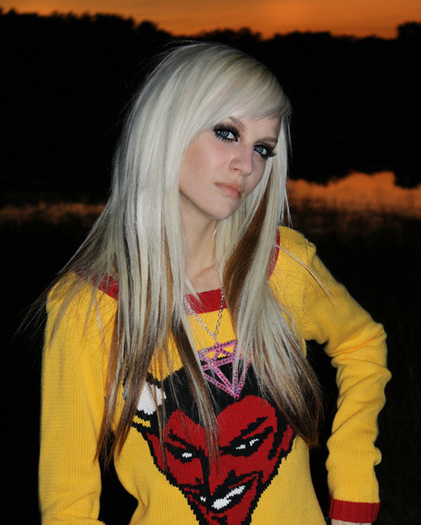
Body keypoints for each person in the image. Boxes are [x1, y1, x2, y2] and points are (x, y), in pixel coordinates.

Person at [39, 42, 390, 525]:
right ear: (168, 128)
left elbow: (362, 344)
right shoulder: (90, 307)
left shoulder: (283, 265)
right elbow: (68, 506)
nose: (247, 165)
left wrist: (353, 488)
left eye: (263, 148)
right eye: (227, 133)